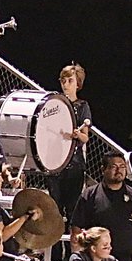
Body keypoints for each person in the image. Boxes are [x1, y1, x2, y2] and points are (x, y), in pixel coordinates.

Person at [45, 63, 92, 218]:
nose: (65, 84)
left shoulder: (83, 106)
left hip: (74, 164)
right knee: (54, 208)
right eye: (63, 81)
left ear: (78, 83)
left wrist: (77, 135)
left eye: (70, 81)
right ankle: (56, 242)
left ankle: (72, 241)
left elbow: (85, 137)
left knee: (73, 208)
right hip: (54, 162)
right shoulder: (54, 104)